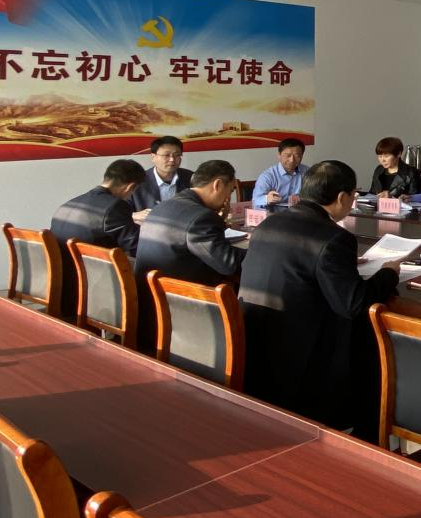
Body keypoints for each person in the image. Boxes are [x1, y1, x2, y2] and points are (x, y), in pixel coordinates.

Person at [239, 160, 399, 432]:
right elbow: (353, 303)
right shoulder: (335, 238)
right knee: (369, 337)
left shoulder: (270, 223)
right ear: (342, 197)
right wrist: (389, 273)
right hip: (303, 354)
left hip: (259, 344)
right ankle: (364, 432)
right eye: (353, 195)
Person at [134, 159, 243, 352]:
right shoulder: (201, 217)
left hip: (148, 307)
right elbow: (228, 264)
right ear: (218, 185)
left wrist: (219, 221)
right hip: (182, 310)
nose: (229, 198)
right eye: (230, 190)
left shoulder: (165, 206)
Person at [50, 159, 147, 320]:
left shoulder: (70, 203)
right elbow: (136, 247)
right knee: (150, 271)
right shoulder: (115, 206)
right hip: (91, 286)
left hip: (63, 283)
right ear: (130, 187)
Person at [129, 136, 192, 221]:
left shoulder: (191, 178)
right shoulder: (137, 181)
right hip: (148, 228)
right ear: (153, 157)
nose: (172, 159)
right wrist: (134, 215)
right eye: (166, 155)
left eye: (177, 155)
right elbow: (120, 213)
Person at [253, 138, 310, 209]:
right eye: (288, 155)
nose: (292, 160)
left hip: (301, 212)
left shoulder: (308, 172)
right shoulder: (268, 176)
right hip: (276, 214)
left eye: (297, 156)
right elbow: (255, 201)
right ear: (279, 155)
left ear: (302, 156)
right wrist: (267, 199)